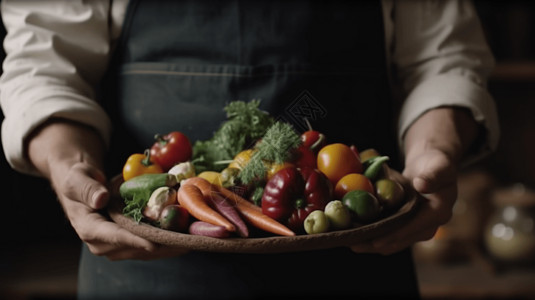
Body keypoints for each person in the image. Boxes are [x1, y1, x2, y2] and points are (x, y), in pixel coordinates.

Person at [0, 0, 499, 299]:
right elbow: (44, 62)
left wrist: (435, 154)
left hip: (354, 260)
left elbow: (445, 59)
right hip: (145, 270)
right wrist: (70, 167)